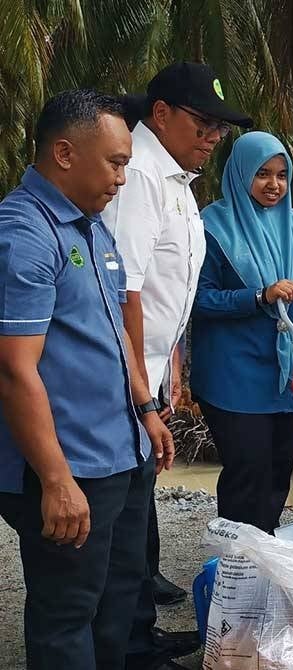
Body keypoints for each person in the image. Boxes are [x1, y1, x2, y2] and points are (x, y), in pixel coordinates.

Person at [0, 89, 174, 670]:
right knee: (66, 615)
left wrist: (146, 410)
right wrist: (54, 480)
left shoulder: (91, 225)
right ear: (66, 153)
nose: (123, 178)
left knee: (116, 602)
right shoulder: (23, 234)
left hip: (120, 455)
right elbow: (13, 367)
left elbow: (115, 331)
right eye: (116, 162)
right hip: (69, 465)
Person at [102, 62, 253, 668]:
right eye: (204, 121)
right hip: (123, 375)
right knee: (122, 509)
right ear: (160, 114)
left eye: (221, 126)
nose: (214, 135)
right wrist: (142, 394)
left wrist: (169, 373)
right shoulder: (137, 174)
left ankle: (139, 630)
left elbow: (171, 295)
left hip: (151, 367)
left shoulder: (175, 177)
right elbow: (127, 292)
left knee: (138, 502)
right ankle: (126, 644)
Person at [191, 132, 293, 533]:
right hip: (233, 372)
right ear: (239, 174)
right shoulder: (210, 227)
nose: (274, 185)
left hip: (291, 367)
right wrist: (258, 296)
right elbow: (198, 300)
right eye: (262, 174)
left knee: (279, 465)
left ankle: (266, 549)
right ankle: (237, 559)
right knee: (247, 466)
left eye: (281, 175)